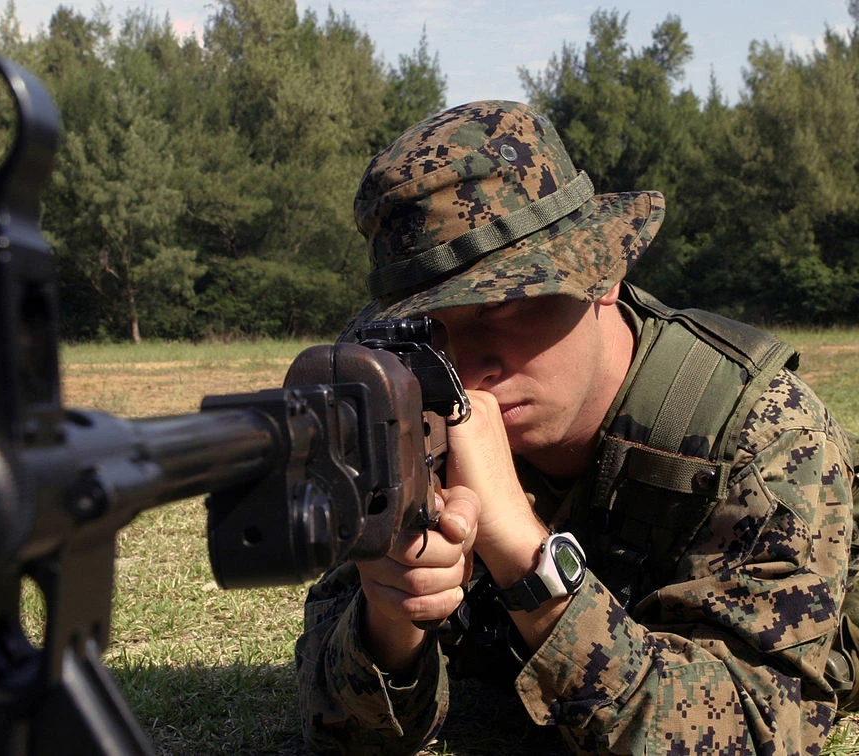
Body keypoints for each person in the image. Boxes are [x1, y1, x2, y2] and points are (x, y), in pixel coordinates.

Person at [294, 100, 856, 754]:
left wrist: (532, 565)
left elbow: (762, 731)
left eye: (501, 308)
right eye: (427, 333)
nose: (467, 367)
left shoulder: (759, 429)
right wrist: (391, 620)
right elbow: (335, 728)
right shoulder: (403, 408)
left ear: (601, 272)